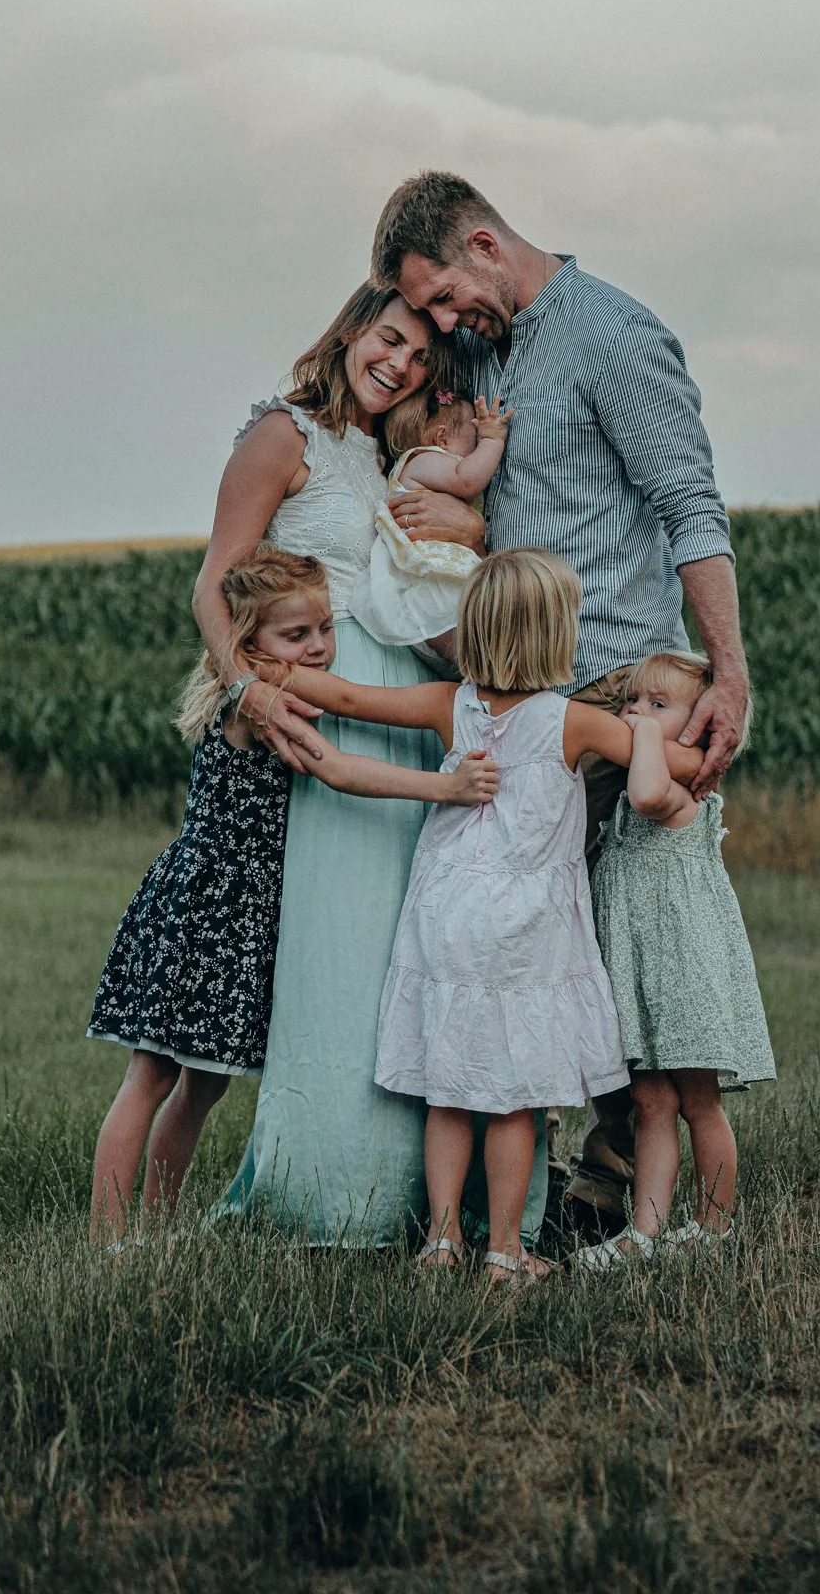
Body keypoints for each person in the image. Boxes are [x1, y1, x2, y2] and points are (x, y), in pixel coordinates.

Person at [371, 170, 751, 1220]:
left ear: (485, 244)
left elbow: (690, 506)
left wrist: (728, 670)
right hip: (517, 693)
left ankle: (622, 1183)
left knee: (626, 947)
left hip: (622, 687)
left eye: (446, 296)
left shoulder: (616, 337)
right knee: (529, 943)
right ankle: (527, 1196)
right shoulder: (484, 358)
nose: (443, 323)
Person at [197, 282, 548, 1245]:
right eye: (389, 340)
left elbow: (429, 553)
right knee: (346, 943)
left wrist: (470, 529)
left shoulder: (388, 452)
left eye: (419, 361)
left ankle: (438, 1203)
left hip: (407, 694)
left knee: (425, 936)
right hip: (334, 695)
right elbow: (213, 578)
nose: (397, 364)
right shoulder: (285, 435)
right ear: (353, 329)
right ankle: (334, 1188)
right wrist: (248, 688)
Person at [281, 550, 706, 1286]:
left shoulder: (450, 703)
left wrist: (265, 671)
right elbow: (682, 768)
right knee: (513, 1098)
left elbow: (346, 698)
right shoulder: (573, 721)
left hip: (445, 910)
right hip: (524, 925)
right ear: (555, 637)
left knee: (448, 1086)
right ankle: (506, 1253)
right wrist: (655, 733)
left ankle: (440, 1241)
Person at [87, 545, 499, 1245]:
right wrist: (444, 786)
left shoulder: (277, 683)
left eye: (322, 628)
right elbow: (335, 769)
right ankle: (106, 1240)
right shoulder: (263, 700)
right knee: (151, 1075)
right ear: (250, 644)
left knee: (202, 1084)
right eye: (294, 634)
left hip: (236, 916)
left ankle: (148, 1232)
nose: (316, 646)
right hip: (205, 911)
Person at [578, 652, 775, 1270]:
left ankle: (715, 1228)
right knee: (650, 1105)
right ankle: (646, 1231)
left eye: (657, 706)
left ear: (698, 728)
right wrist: (642, 728)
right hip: (640, 975)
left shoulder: (679, 795)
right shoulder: (641, 772)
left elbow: (643, 792)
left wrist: (635, 736)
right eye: (632, 701)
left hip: (683, 978)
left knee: (697, 1104)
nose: (637, 713)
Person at [351, 394, 512, 647]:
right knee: (471, 632)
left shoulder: (423, 464)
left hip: (433, 576)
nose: (477, 446)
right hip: (432, 573)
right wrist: (493, 440)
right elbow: (467, 480)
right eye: (475, 438)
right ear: (442, 438)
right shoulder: (423, 459)